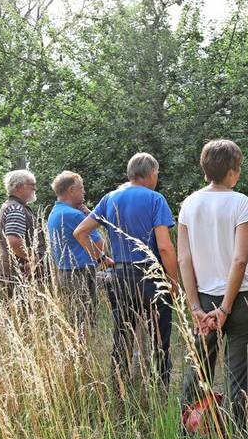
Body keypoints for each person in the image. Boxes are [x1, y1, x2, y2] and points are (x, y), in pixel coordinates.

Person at [179, 139, 248, 433]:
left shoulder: (188, 204)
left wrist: (195, 308)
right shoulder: (239, 201)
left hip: (202, 298)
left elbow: (184, 258)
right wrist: (226, 308)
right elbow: (241, 259)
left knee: (198, 369)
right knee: (238, 379)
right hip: (241, 300)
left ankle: (186, 436)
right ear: (232, 172)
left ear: (206, 171)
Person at [73, 153, 179, 390]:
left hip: (120, 277)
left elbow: (80, 232)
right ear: (151, 173)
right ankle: (160, 390)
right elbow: (164, 246)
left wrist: (101, 258)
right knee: (158, 340)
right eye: (157, 174)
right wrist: (173, 281)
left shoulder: (110, 198)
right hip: (151, 277)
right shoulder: (155, 199)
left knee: (122, 336)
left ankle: (120, 389)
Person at [47, 171, 109, 329]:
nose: (84, 191)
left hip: (66, 273)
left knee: (75, 321)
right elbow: (102, 245)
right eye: (81, 188)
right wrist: (91, 217)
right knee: (85, 323)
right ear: (71, 191)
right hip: (80, 274)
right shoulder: (74, 215)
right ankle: (85, 353)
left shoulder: (55, 212)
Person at [0, 169, 47, 300]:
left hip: (14, 271)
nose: (35, 188)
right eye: (31, 185)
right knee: (23, 317)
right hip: (17, 273)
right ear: (18, 187)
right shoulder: (16, 209)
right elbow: (13, 241)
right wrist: (32, 258)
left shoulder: (11, 206)